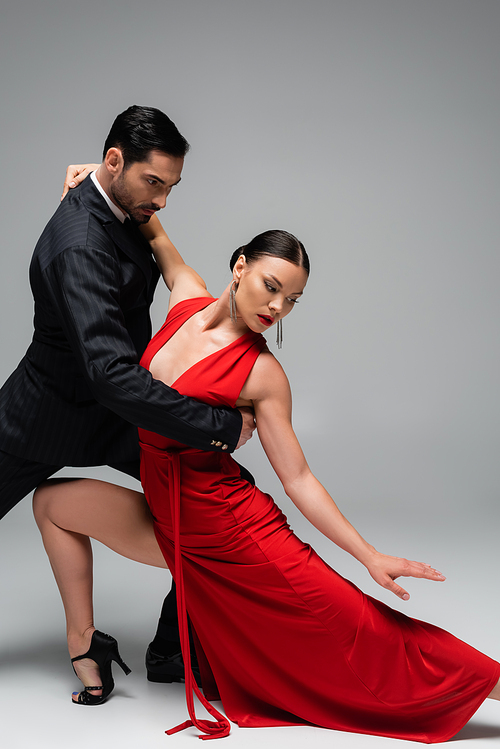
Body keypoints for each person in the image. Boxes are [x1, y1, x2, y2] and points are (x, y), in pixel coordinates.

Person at [33, 216, 500, 743]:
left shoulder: (262, 374)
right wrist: (92, 181)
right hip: (172, 527)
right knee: (51, 502)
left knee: (362, 627)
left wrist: (369, 555)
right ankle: (86, 645)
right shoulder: (184, 301)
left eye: (292, 300)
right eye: (271, 287)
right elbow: (157, 237)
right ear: (239, 269)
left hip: (233, 534)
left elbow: (298, 478)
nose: (277, 308)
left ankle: (494, 684)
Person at [0, 105, 255, 685]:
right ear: (116, 161)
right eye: (154, 183)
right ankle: (87, 643)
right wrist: (216, 423)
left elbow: (118, 375)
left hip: (121, 414)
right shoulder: (81, 242)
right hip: (46, 413)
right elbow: (111, 373)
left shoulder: (118, 198)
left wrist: (119, 188)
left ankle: (174, 648)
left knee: (222, 501)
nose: (162, 200)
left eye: (172, 186)